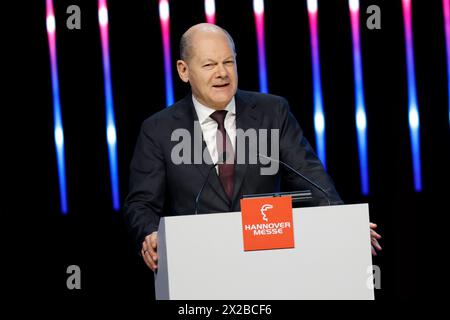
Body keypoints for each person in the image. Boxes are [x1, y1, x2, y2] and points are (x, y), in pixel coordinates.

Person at [123, 23, 382, 272]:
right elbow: (141, 204)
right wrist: (151, 233)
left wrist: (341, 222)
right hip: (199, 266)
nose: (222, 73)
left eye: (228, 62)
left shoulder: (273, 111)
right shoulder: (159, 129)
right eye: (210, 65)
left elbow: (311, 179)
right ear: (183, 70)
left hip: (269, 261)